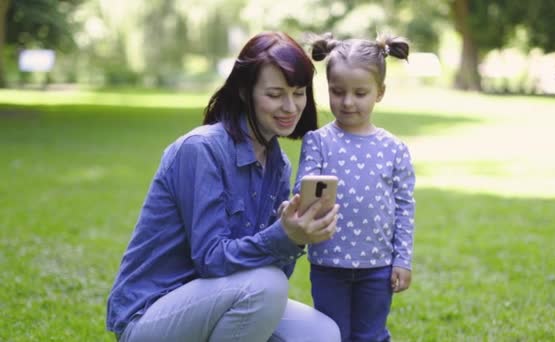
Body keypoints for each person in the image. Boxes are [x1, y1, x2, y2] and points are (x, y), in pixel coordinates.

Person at [106, 31, 342, 342]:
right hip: (150, 315)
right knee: (266, 286)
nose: (290, 106)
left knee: (321, 333)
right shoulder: (200, 150)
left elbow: (270, 270)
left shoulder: (278, 165)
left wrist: (296, 239)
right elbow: (212, 260)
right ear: (245, 91)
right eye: (274, 94)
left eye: (298, 93)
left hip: (221, 302)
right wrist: (281, 236)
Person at [294, 32, 416, 342]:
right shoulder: (318, 142)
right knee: (332, 335)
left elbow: (404, 207)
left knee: (370, 335)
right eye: (337, 92)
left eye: (360, 93)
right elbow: (304, 191)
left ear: (380, 93)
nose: (347, 102)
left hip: (377, 266)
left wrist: (401, 259)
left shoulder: (394, 149)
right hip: (328, 264)